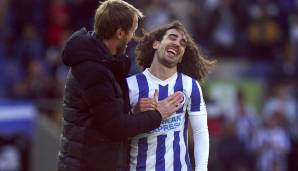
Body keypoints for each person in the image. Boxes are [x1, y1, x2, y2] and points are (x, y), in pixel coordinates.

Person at [57, 1, 184, 171]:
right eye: (131, 31)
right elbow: (116, 127)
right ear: (119, 33)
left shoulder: (104, 62)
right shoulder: (93, 71)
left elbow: (106, 115)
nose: (133, 37)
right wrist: (158, 114)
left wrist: (135, 110)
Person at [127, 21, 215, 171]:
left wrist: (201, 169)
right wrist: (135, 113)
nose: (177, 44)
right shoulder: (130, 85)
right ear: (156, 44)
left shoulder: (190, 86)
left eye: (182, 43)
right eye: (172, 38)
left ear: (181, 56)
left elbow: (200, 132)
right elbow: (117, 130)